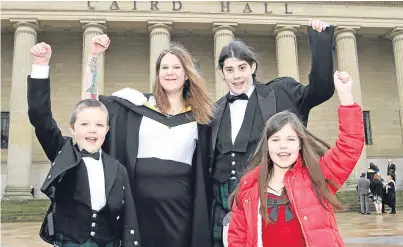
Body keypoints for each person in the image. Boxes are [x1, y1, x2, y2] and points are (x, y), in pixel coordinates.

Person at [210, 19, 336, 246]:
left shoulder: (281, 92)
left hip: (269, 205)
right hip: (222, 211)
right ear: (222, 72)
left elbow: (321, 90)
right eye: (229, 70)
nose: (236, 76)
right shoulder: (214, 111)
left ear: (253, 67)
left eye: (242, 68)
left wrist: (321, 41)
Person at [82, 35, 214, 247]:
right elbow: (90, 102)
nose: (169, 72)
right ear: (157, 73)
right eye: (164, 67)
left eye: (176, 67)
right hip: (136, 207)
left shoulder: (202, 118)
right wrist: (93, 58)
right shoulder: (137, 106)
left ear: (187, 74)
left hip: (180, 211)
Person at [227, 71, 364, 247]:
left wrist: (346, 96)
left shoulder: (316, 176)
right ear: (266, 146)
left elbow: (349, 146)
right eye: (275, 140)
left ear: (300, 144)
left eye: (290, 139)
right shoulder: (248, 188)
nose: (283, 146)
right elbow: (237, 239)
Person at [28, 43, 140, 246]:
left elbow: (128, 214)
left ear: (106, 130)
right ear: (72, 128)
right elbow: (40, 116)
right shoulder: (63, 152)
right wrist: (40, 66)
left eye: (99, 125)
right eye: (85, 124)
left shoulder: (117, 167)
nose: (92, 129)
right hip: (71, 241)